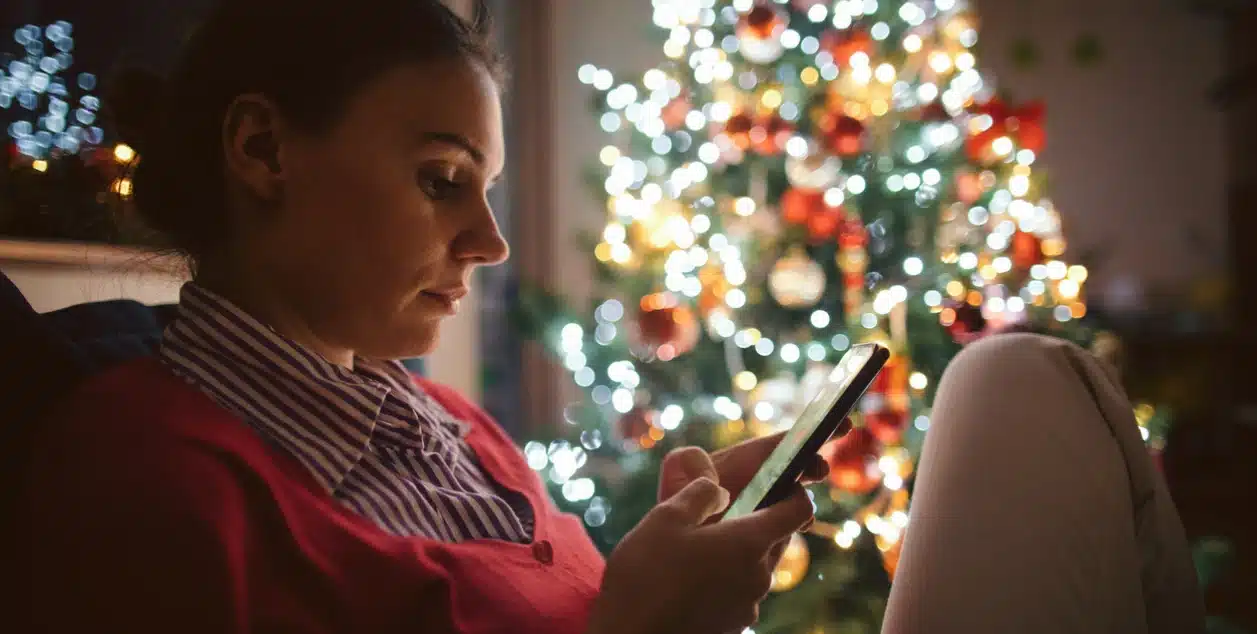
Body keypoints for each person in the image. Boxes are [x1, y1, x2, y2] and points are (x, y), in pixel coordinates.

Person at [9, 1, 1203, 633]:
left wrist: (664, 572)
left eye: (483, 186)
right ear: (264, 150)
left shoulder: (452, 428)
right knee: (1021, 389)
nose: (489, 241)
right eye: (441, 179)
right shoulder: (139, 485)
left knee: (1018, 382)